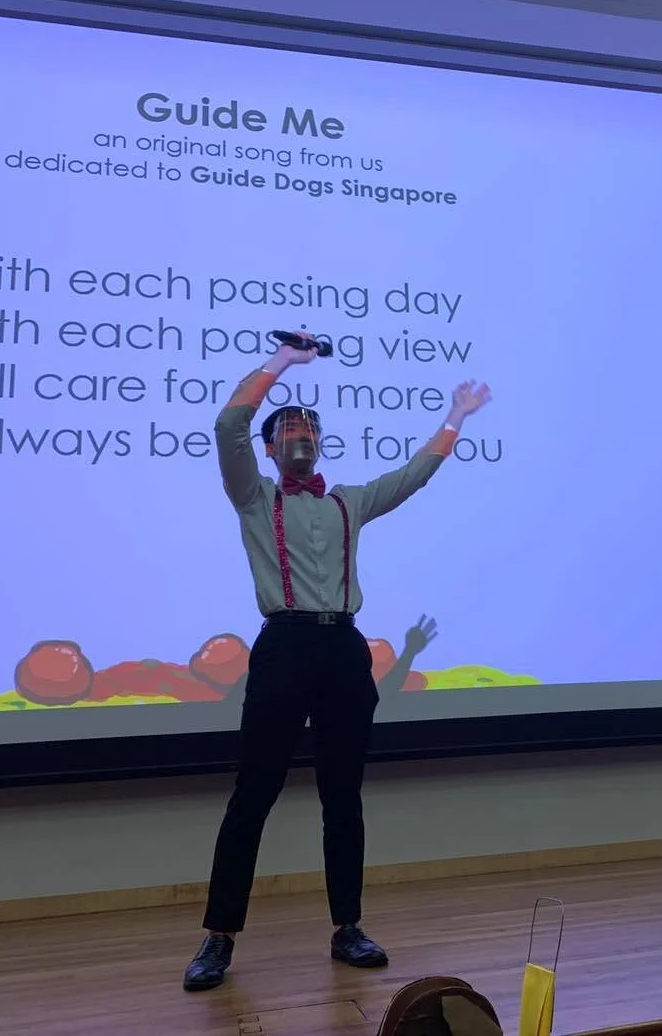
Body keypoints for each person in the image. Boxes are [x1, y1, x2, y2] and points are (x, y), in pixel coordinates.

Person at [183, 332, 491, 991]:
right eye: (288, 429)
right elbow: (228, 424)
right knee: (254, 792)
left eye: (309, 428)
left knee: (343, 795)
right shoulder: (254, 496)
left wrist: (455, 418)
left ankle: (347, 926)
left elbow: (412, 476)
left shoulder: (347, 500)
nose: (301, 434)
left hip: (342, 651)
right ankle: (218, 936)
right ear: (270, 449)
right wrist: (282, 363)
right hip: (284, 646)